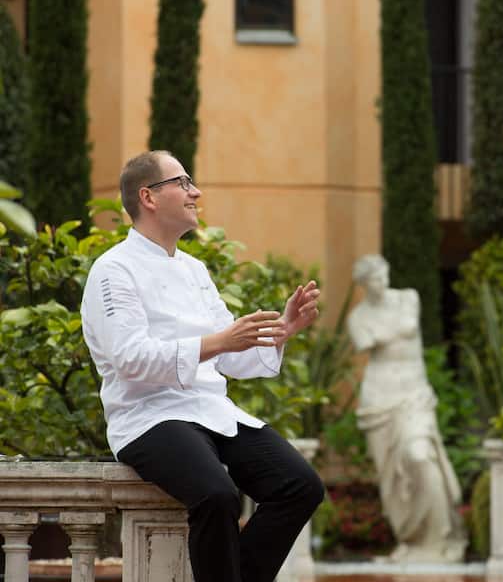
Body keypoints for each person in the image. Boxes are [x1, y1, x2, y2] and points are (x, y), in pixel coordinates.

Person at [80, 150, 325, 582]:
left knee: (301, 485)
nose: (196, 192)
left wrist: (282, 330)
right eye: (183, 182)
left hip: (210, 411)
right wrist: (217, 341)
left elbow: (230, 356)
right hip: (148, 416)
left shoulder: (194, 270)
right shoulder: (112, 270)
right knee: (216, 495)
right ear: (148, 197)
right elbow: (130, 359)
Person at [346, 254, 467, 563]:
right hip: (378, 398)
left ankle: (443, 537)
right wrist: (387, 334)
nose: (382, 283)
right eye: (374, 279)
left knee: (419, 454)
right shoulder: (358, 316)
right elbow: (362, 342)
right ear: (363, 285)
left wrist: (381, 335)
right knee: (390, 477)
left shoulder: (407, 298)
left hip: (413, 392)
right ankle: (409, 539)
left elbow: (408, 327)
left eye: (384, 275)